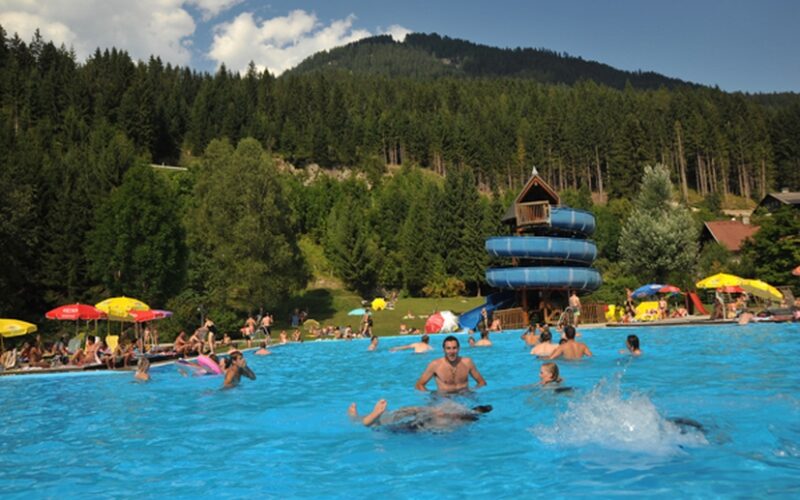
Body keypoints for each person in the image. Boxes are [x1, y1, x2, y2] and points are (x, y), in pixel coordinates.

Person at [348, 399, 492, 432]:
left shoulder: (455, 413)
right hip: (418, 423)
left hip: (416, 424)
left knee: (385, 421)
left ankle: (361, 418)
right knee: (388, 420)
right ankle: (363, 418)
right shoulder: (458, 418)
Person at [415, 336, 486, 393]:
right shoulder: (435, 365)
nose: (451, 351)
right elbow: (419, 385)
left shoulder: (467, 362)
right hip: (445, 399)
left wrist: (471, 391)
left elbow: (482, 382)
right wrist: (432, 395)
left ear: (459, 349)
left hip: (465, 397)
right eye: (448, 348)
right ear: (444, 350)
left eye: (454, 348)